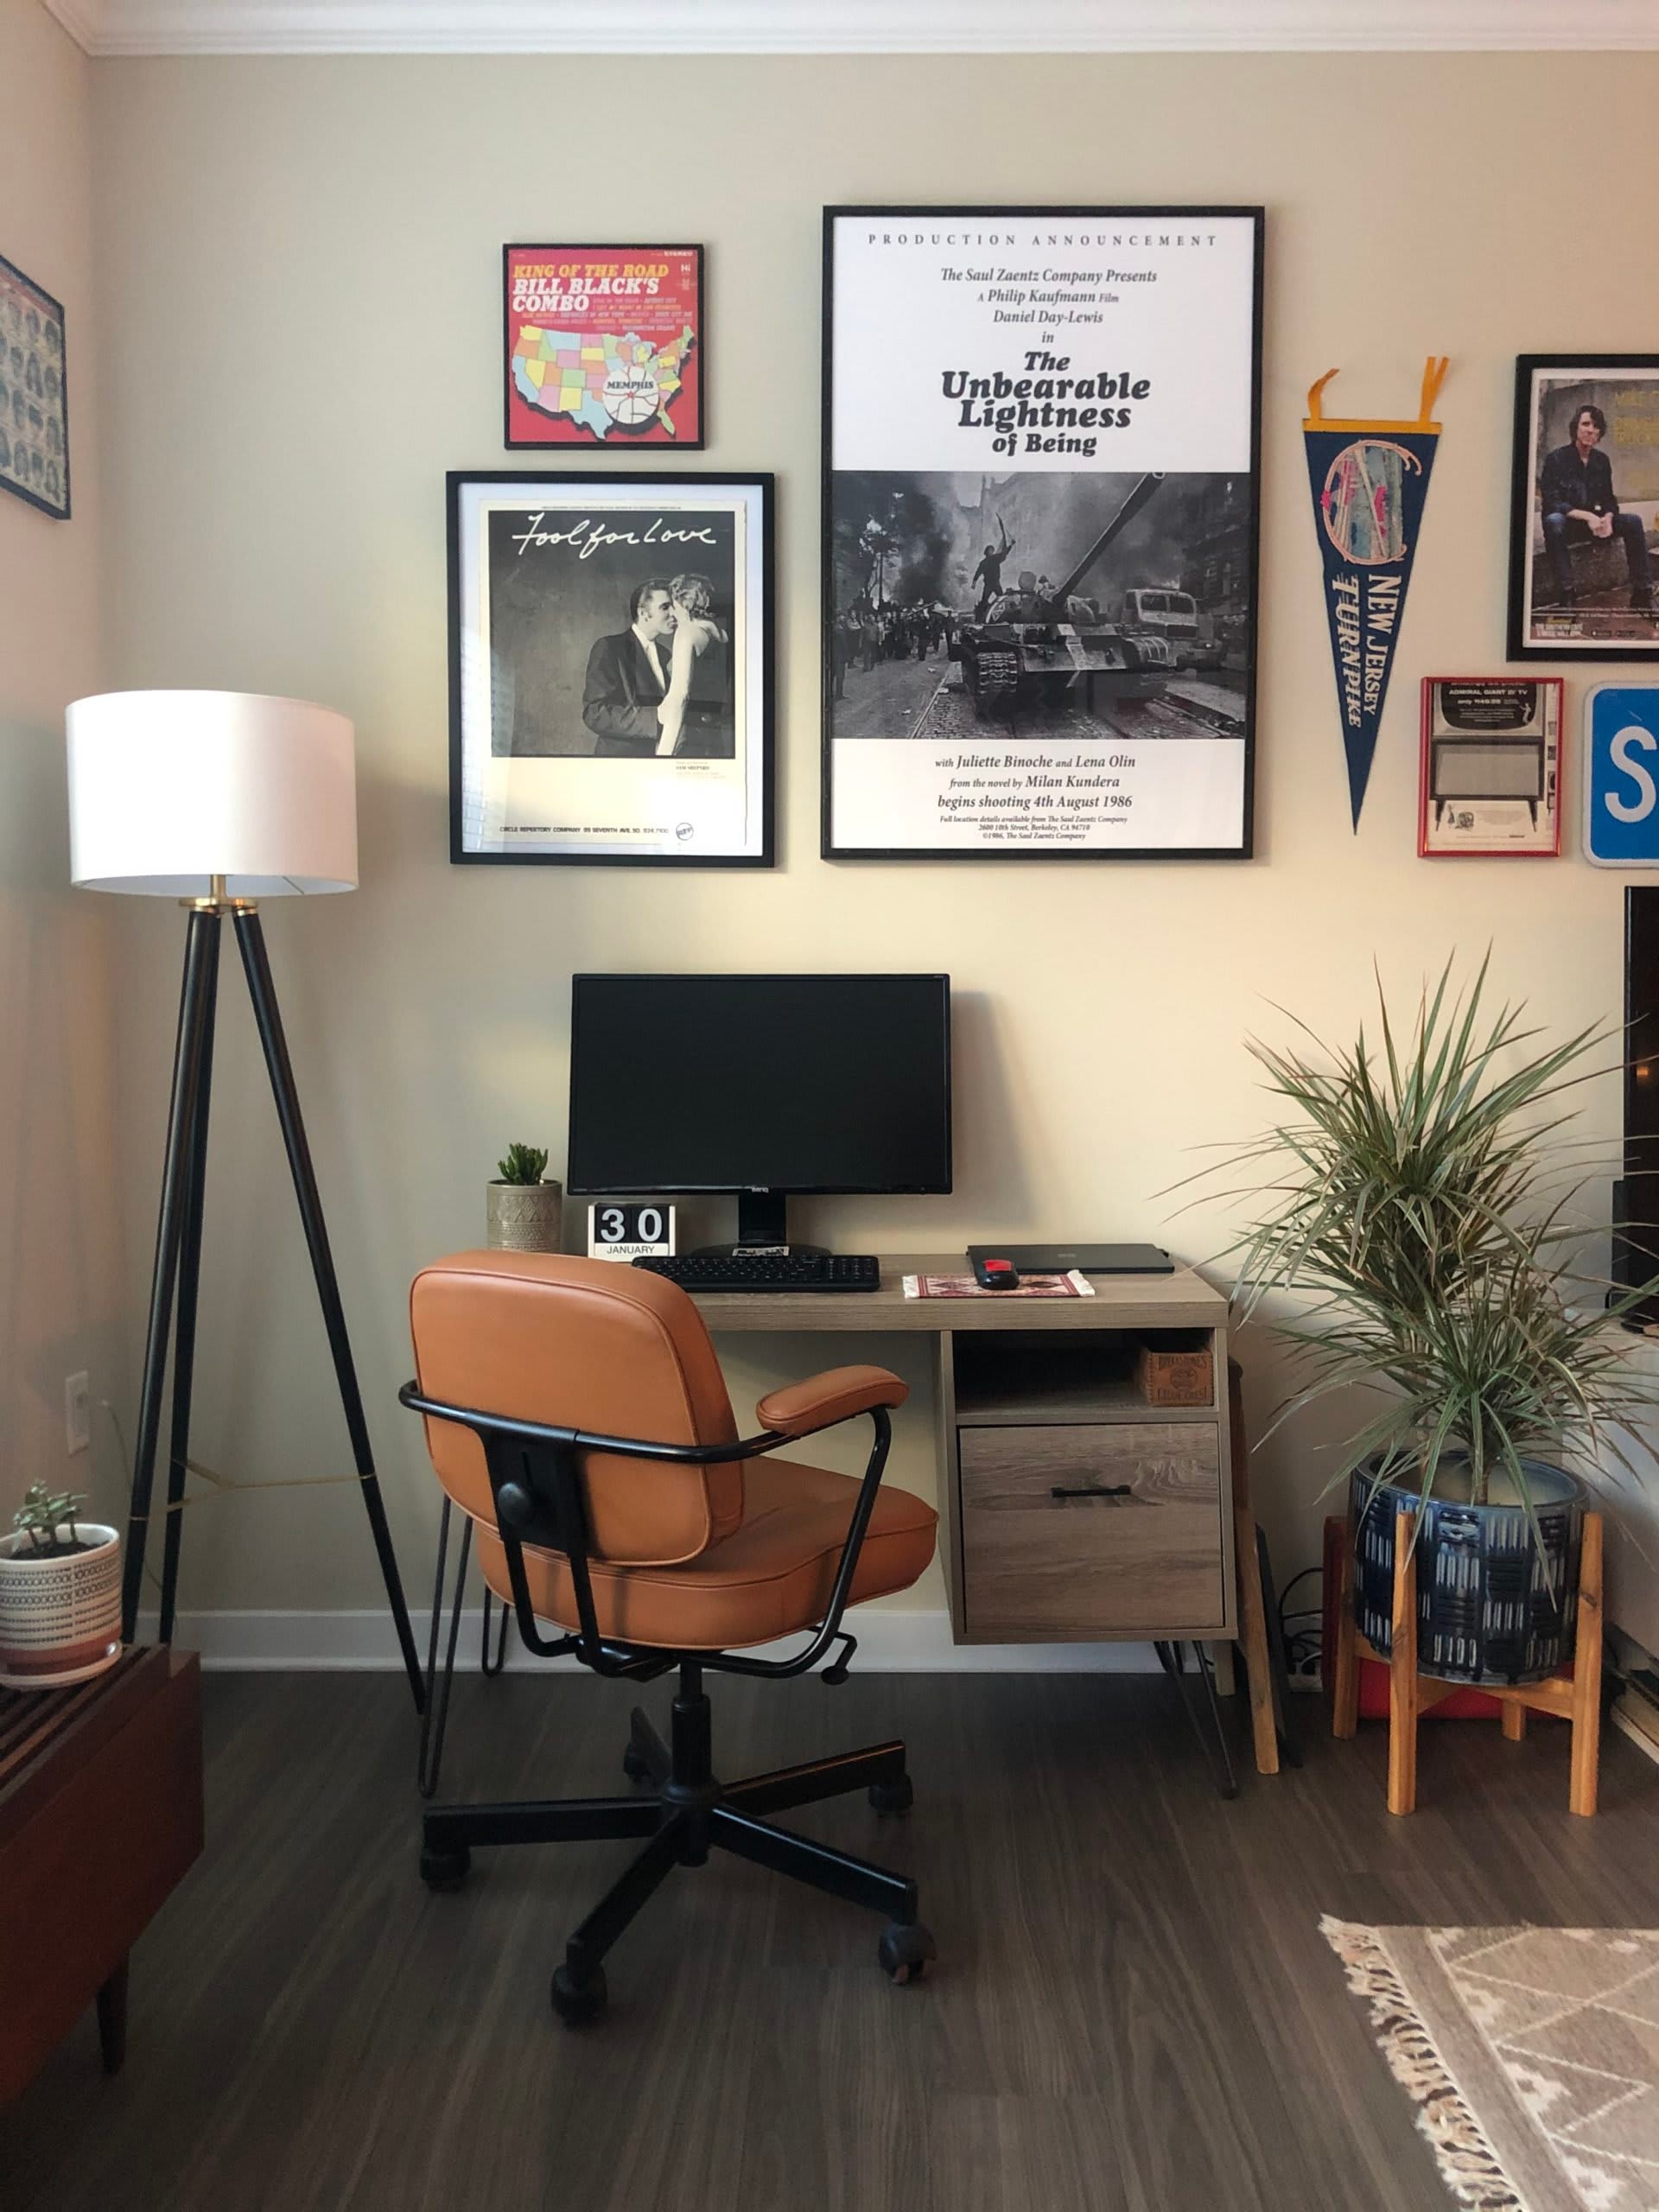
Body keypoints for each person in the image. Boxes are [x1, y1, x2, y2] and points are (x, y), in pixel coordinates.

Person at [1539, 403, 1654, 613]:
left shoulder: (1601, 461)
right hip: (1568, 525)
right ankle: (1567, 593)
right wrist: (1588, 516)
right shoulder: (1556, 459)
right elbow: (1552, 502)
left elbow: (1609, 500)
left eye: (1596, 426)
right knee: (1553, 521)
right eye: (1585, 424)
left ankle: (1642, 592)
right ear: (1575, 428)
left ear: (1600, 433)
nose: (1590, 430)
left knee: (1633, 521)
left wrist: (1607, 518)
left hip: (1595, 525)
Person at [581, 579, 677, 756]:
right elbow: (595, 713)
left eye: (674, 607)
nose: (673, 614)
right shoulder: (610, 647)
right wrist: (656, 717)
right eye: (665, 607)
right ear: (643, 613)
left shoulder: (666, 654)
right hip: (620, 760)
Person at [656, 571, 734, 759]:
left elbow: (680, 697)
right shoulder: (722, 635)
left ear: (685, 606)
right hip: (716, 737)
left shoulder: (687, 633)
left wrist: (664, 753)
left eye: (673, 605)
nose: (672, 613)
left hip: (688, 738)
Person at [972, 518, 1014, 619]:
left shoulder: (996, 558)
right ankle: (979, 616)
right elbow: (978, 573)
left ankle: (1005, 616)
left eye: (992, 550)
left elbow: (1004, 553)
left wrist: (1011, 545)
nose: (991, 552)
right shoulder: (983, 563)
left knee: (1002, 598)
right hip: (988, 584)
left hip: (996, 583)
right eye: (990, 551)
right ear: (986, 552)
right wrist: (974, 582)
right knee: (984, 600)